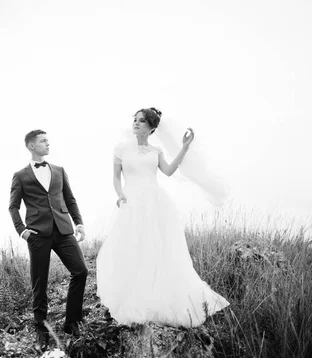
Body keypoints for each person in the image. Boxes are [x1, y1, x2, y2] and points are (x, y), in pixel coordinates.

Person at [96, 108, 229, 328]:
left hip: (155, 202)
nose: (136, 124)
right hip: (132, 201)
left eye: (141, 121)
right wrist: (120, 194)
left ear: (152, 128)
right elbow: (116, 178)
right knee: (130, 246)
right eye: (135, 120)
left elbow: (167, 171)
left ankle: (159, 295)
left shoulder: (155, 151)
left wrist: (184, 148)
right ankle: (130, 294)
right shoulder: (121, 149)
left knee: (157, 247)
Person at [9, 129, 88, 350]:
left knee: (81, 271)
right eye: (43, 141)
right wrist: (22, 230)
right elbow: (13, 206)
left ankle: (72, 321)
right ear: (31, 146)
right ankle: (41, 327)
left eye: (48, 140)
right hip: (37, 234)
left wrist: (78, 222)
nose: (48, 144)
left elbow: (70, 199)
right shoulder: (21, 175)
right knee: (39, 281)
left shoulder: (60, 171)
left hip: (63, 230)